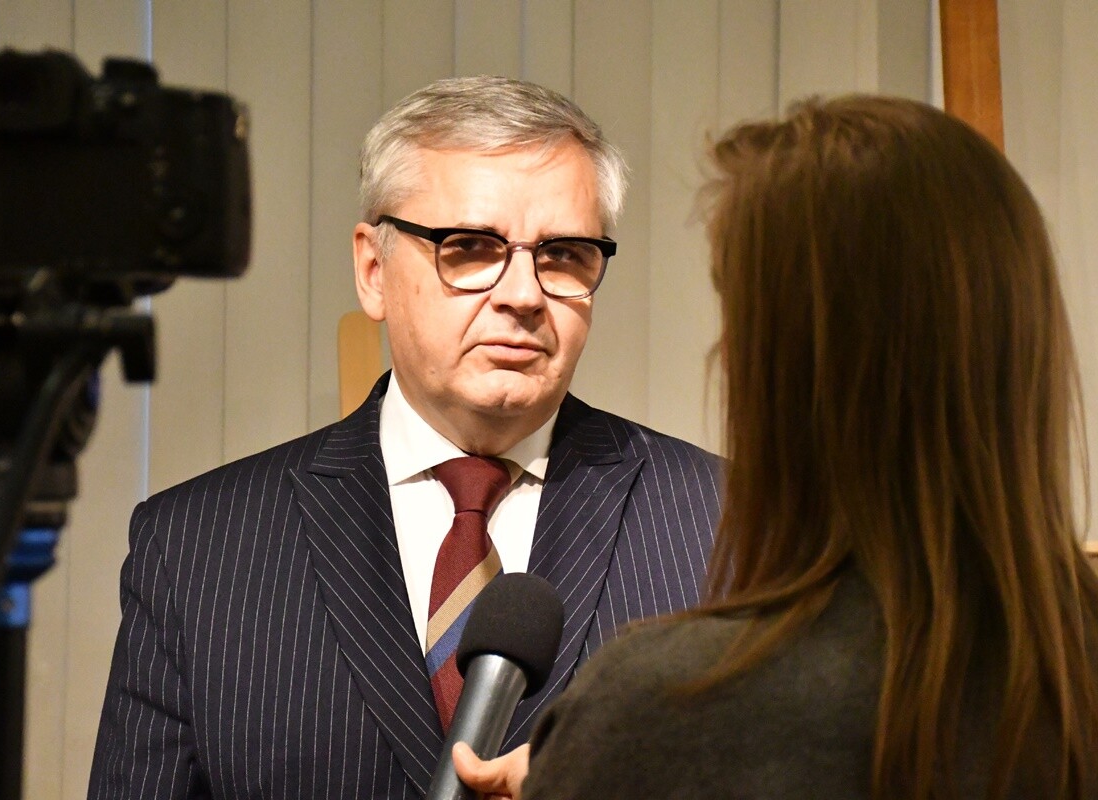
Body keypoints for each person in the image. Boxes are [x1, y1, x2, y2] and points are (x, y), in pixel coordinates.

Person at [87, 75, 725, 800]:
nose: (523, 294)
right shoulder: (197, 548)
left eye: (564, 254)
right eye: (470, 247)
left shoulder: (727, 524)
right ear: (373, 271)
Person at [458, 95, 1098, 799]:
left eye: (738, 318)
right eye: (470, 247)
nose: (521, 296)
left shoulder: (672, 709)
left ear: (789, 369)